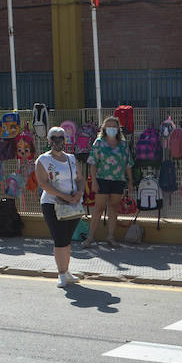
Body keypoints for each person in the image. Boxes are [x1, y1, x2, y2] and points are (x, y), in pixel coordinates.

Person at [36, 125, 84, 287]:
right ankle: (61, 273)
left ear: (65, 140)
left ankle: (67, 270)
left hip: (72, 203)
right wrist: (63, 196)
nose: (58, 141)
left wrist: (79, 193)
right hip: (52, 204)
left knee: (67, 239)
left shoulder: (71, 158)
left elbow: (80, 179)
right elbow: (43, 183)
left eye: (61, 138)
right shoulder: (43, 160)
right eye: (54, 138)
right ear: (49, 140)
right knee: (59, 239)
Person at [86, 116, 132, 248]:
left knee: (113, 208)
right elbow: (93, 163)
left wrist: (130, 181)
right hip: (102, 179)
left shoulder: (123, 144)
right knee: (99, 208)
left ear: (118, 128)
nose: (112, 128)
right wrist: (94, 181)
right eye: (109, 125)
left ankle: (111, 236)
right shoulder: (99, 142)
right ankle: (90, 237)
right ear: (104, 128)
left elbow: (128, 164)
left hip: (118, 180)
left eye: (114, 126)